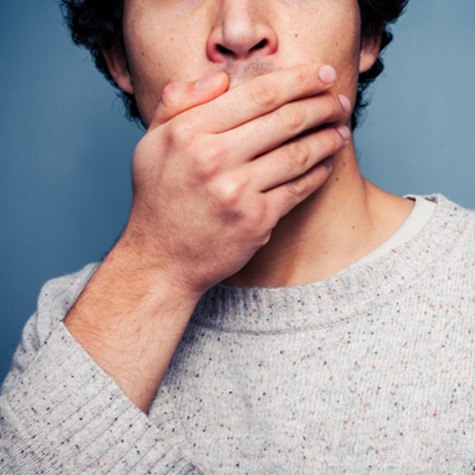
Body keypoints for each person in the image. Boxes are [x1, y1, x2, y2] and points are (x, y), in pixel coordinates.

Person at [1, 0, 473, 473]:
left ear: (365, 32)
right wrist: (158, 266)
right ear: (118, 58)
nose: (240, 30)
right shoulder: (66, 333)